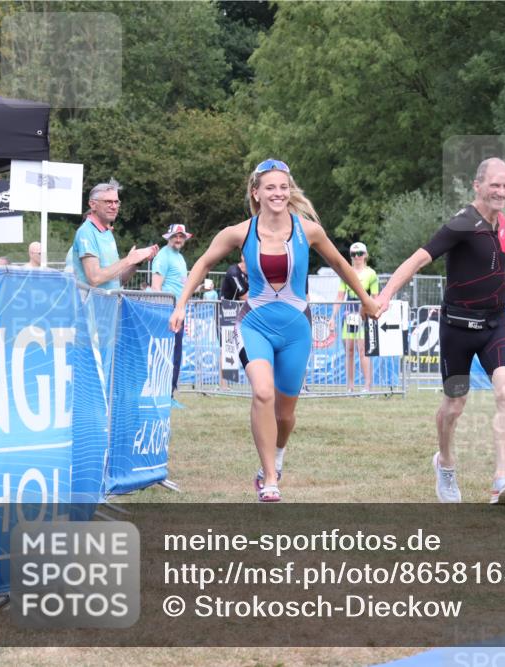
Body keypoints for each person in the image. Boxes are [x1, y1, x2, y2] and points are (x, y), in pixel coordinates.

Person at [169, 159, 381, 503]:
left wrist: (366, 300)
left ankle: (278, 455)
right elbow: (203, 263)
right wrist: (180, 304)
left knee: (285, 413)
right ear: (257, 192)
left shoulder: (308, 230)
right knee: (263, 393)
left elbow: (340, 264)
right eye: (270, 187)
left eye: (283, 187)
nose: (278, 193)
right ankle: (269, 478)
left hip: (297, 329)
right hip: (255, 324)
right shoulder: (240, 232)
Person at [376, 157, 505, 504]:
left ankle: (501, 480)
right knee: (455, 404)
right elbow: (419, 259)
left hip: (495, 324)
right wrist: (386, 295)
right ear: (477, 186)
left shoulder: (500, 222)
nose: (501, 191)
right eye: (495, 185)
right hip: (457, 330)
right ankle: (445, 464)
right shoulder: (461, 224)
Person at [71, 178, 158, 289]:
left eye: (116, 202)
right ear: (92, 204)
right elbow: (95, 278)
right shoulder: (86, 232)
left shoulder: (107, 233)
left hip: (109, 305)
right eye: (108, 202)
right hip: (90, 306)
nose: (114, 207)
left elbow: (118, 281)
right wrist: (128, 260)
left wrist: (136, 263)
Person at [331, 241, 380, 392]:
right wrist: (332, 317)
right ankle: (350, 387)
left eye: (359, 254)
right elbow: (340, 296)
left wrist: (368, 311)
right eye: (353, 254)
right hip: (349, 313)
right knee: (349, 350)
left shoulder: (371, 273)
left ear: (365, 255)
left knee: (363, 349)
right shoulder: (346, 272)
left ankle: (367, 386)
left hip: (364, 314)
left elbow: (375, 296)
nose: (357, 257)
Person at [153, 223, 192, 403]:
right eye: (175, 236)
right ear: (168, 237)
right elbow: (156, 287)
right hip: (168, 312)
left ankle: (169, 394)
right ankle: (162, 394)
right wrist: (163, 312)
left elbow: (181, 285)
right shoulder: (163, 256)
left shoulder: (180, 257)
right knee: (166, 353)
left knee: (176, 353)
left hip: (178, 310)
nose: (178, 239)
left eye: (181, 236)